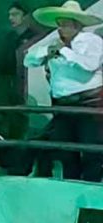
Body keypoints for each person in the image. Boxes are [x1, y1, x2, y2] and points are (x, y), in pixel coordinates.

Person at [24, 1, 103, 182]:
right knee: (66, 150)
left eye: (65, 24)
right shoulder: (54, 43)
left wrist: (64, 51)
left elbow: (89, 65)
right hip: (62, 105)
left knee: (91, 150)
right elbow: (29, 60)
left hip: (89, 104)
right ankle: (71, 184)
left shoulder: (93, 41)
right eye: (59, 24)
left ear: (77, 24)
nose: (61, 28)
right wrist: (47, 51)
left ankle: (91, 188)